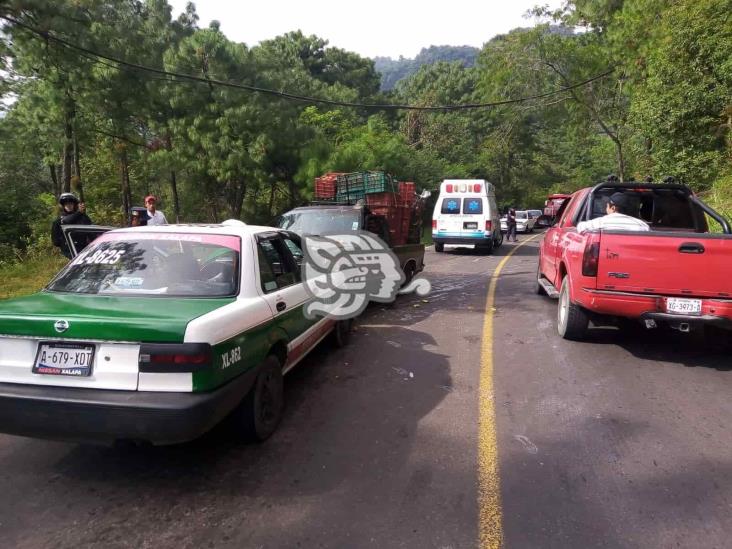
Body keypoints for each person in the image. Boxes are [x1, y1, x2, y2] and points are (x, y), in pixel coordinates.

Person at [577, 192, 650, 233]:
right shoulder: (642, 226)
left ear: (613, 208)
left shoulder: (600, 222)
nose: (606, 208)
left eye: (607, 206)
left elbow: (580, 226)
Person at [51, 193, 93, 258]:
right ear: (63, 205)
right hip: (68, 253)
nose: (68, 205)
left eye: (71, 203)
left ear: (74, 204)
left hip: (85, 251)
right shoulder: (58, 222)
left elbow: (92, 233)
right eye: (66, 203)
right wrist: (64, 244)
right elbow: (56, 241)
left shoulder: (83, 217)